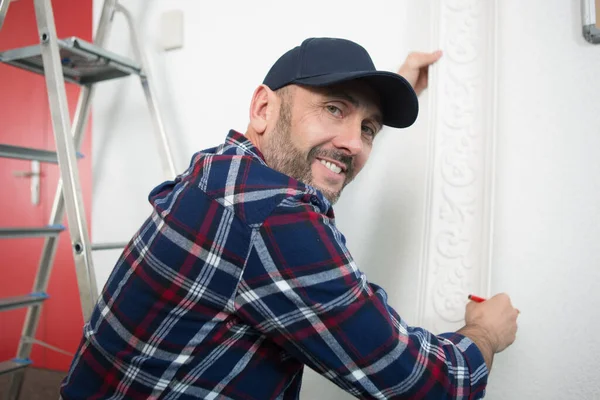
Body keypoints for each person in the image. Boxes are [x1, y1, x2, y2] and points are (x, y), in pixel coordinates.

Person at [60, 37, 518, 399]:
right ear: (263, 109)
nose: (354, 144)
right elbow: (422, 386)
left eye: (368, 129)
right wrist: (485, 332)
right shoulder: (274, 216)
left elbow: (309, 162)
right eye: (334, 108)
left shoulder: (221, 171)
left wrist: (382, 91)